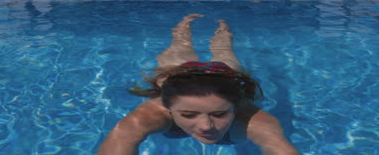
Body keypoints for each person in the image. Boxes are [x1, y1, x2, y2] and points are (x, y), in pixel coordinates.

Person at [98, 14, 299, 155]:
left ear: (236, 106)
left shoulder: (254, 122)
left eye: (220, 114)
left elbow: (280, 148)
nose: (206, 127)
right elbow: (122, 139)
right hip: (179, 75)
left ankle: (223, 29)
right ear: (167, 108)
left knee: (225, 51)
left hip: (225, 75)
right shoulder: (149, 116)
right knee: (180, 45)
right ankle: (184, 26)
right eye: (188, 114)